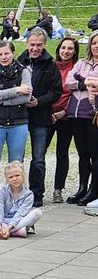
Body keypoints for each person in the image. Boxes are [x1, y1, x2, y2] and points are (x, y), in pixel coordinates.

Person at [15, 29, 62, 207]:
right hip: (19, 115)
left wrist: (39, 102)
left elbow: (56, 91)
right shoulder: (19, 62)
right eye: (32, 44)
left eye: (39, 45)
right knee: (17, 157)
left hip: (41, 116)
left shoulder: (51, 65)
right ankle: (17, 193)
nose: (35, 48)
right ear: (27, 44)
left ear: (44, 45)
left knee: (38, 158)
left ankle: (37, 194)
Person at [0, 40, 32, 187]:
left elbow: (26, 97)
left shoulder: (24, 72)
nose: (4, 57)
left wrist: (3, 102)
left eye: (7, 53)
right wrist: (17, 90)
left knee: (16, 164)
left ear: (13, 53)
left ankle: (16, 195)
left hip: (18, 123)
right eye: (0, 54)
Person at [64, 30, 98, 206]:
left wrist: (88, 82)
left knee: (95, 154)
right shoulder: (81, 63)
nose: (96, 46)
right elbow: (69, 82)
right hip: (77, 115)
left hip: (93, 115)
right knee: (82, 153)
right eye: (94, 43)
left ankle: (94, 189)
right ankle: (82, 187)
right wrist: (85, 82)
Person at [0, 161, 43, 237]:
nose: (14, 179)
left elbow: (21, 214)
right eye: (11, 177)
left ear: (23, 175)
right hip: (3, 219)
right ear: (7, 179)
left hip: (19, 220)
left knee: (37, 213)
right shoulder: (2, 190)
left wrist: (9, 228)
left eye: (17, 175)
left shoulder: (29, 194)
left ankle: (2, 231)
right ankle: (17, 231)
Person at [51, 37, 81, 203]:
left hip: (66, 116)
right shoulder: (52, 66)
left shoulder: (77, 69)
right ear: (59, 49)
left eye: (70, 48)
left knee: (62, 153)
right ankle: (36, 189)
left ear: (75, 51)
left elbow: (77, 94)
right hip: (48, 115)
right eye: (63, 48)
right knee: (39, 153)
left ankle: (58, 189)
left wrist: (64, 112)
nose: (66, 51)